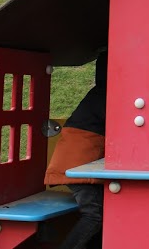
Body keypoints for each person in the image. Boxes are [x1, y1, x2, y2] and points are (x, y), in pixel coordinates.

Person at [44, 51, 108, 249]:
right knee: (94, 215)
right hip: (76, 165)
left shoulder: (100, 93)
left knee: (101, 214)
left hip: (77, 163)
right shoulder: (108, 96)